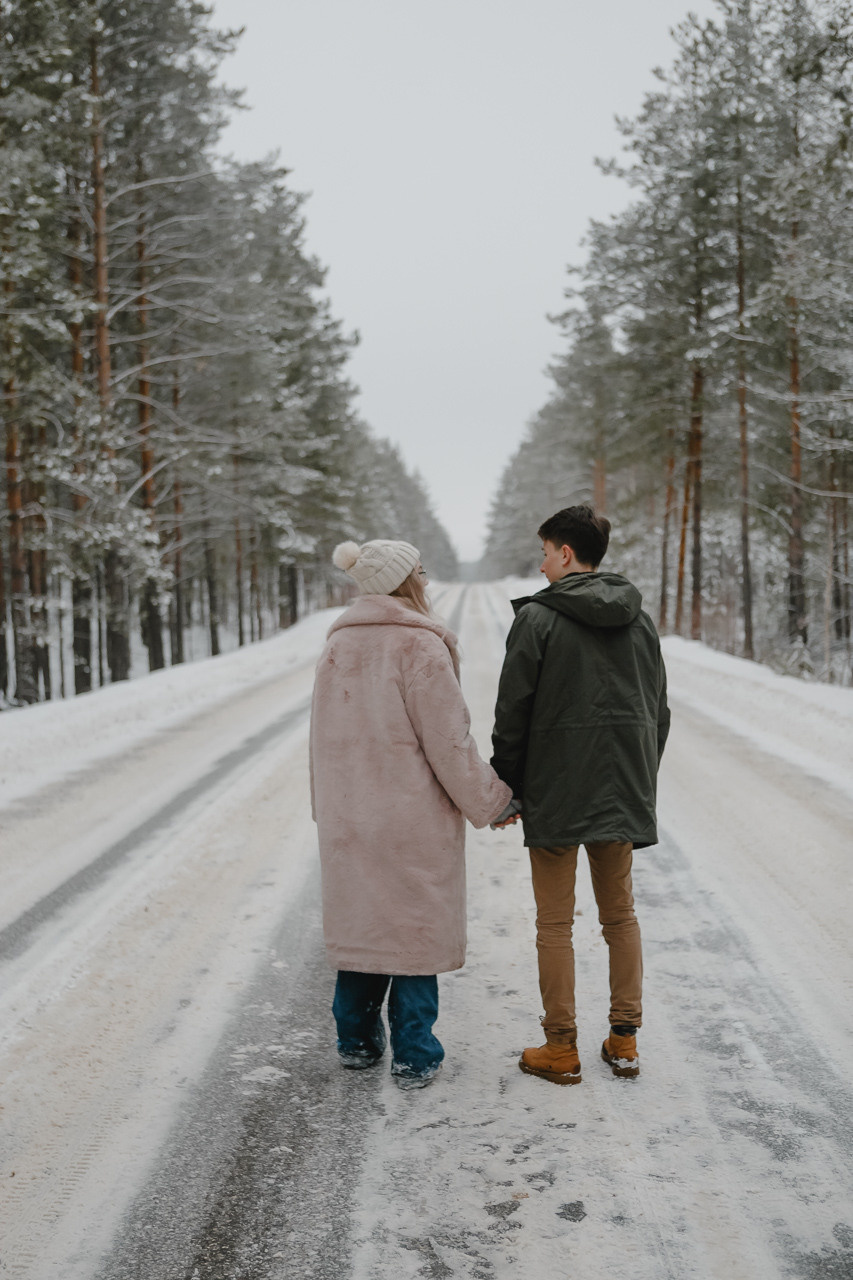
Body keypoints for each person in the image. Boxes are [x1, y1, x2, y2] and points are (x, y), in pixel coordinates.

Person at [310, 538, 515, 1089]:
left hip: (349, 815)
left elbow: (320, 739)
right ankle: (415, 1052)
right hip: (410, 818)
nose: (425, 579)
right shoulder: (420, 645)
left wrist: (324, 808)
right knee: (414, 933)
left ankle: (355, 1041)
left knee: (364, 927)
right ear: (405, 581)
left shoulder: (337, 644)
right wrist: (492, 801)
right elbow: (449, 743)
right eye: (420, 572)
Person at [490, 504, 670, 1085]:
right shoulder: (639, 620)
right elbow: (658, 712)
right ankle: (625, 1040)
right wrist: (639, 777)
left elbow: (512, 713)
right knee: (620, 917)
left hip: (556, 791)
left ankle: (560, 1047)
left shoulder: (538, 619)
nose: (541, 565)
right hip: (622, 788)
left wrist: (508, 786)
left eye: (545, 553)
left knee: (554, 924)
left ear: (566, 553)